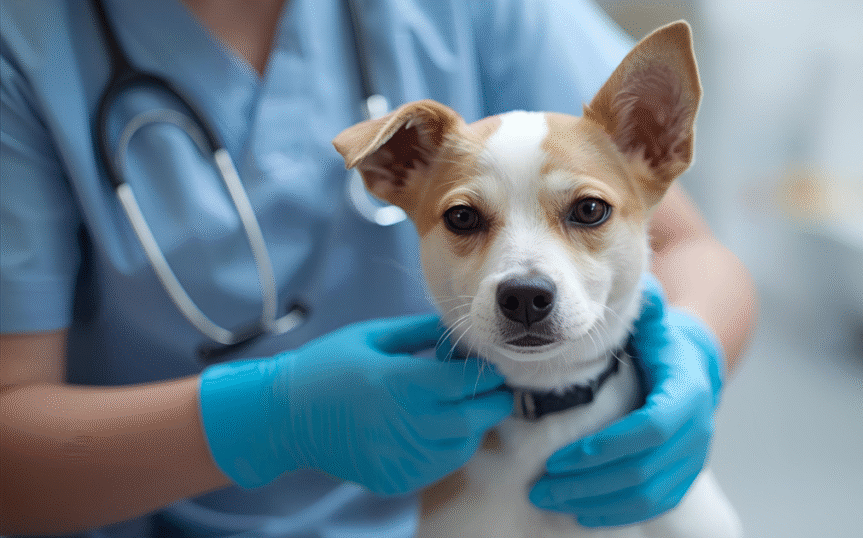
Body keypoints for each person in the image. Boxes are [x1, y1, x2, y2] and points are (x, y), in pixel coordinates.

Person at [0, 0, 757, 536]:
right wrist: (271, 416)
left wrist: (694, 354)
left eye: (584, 212)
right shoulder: (26, 42)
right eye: (466, 219)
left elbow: (691, 248)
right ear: (392, 171)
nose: (526, 276)